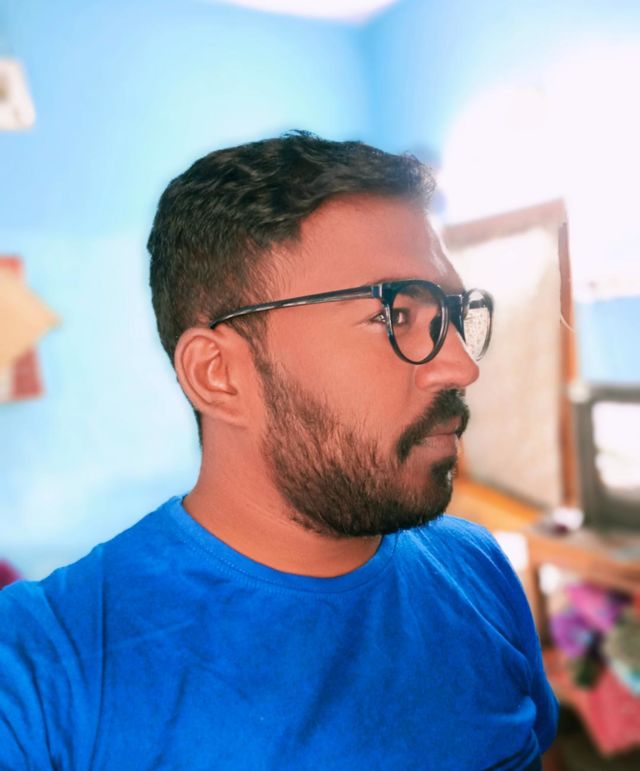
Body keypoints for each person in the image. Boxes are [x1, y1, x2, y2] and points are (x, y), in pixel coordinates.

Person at [0, 132, 557, 770]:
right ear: (217, 375)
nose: (460, 366)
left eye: (452, 316)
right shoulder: (43, 672)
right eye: (395, 315)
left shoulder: (475, 565)